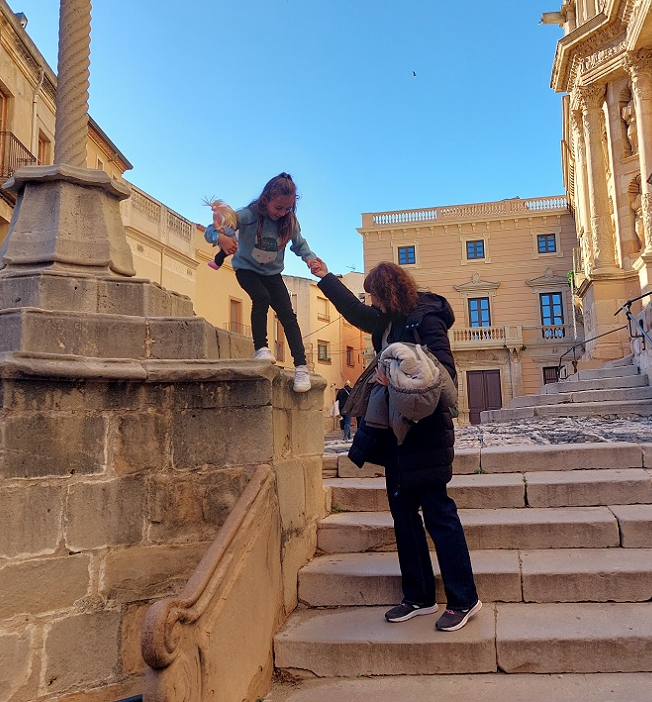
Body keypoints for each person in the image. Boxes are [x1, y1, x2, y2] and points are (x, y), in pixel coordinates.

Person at [309, 258, 481, 632]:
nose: (370, 303)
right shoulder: (385, 322)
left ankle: (464, 599)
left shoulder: (426, 318)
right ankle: (419, 597)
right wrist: (325, 277)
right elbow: (354, 311)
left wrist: (398, 376)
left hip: (426, 432)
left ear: (387, 292)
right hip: (394, 434)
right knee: (403, 517)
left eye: (374, 296)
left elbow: (446, 374)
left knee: (439, 515)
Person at [205, 172, 318, 393]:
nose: (282, 213)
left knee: (288, 315)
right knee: (261, 297)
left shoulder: (289, 221)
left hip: (272, 273)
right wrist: (221, 238)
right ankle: (261, 348)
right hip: (246, 268)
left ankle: (301, 367)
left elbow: (300, 244)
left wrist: (310, 259)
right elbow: (211, 230)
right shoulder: (247, 215)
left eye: (287, 208)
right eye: (278, 208)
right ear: (266, 199)